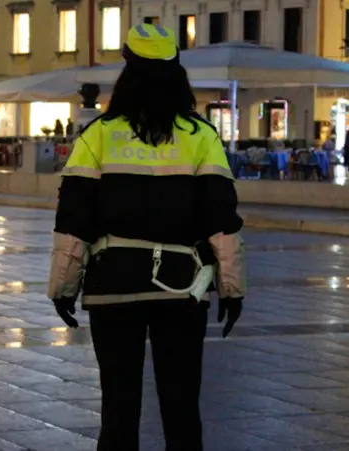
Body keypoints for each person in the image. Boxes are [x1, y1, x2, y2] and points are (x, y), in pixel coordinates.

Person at [47, 23, 246, 451]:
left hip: (113, 287)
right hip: (181, 289)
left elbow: (73, 218)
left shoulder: (98, 136)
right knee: (180, 407)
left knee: (119, 407)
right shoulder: (202, 138)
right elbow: (222, 218)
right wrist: (231, 288)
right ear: (177, 74)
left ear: (127, 74)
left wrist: (63, 286)